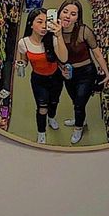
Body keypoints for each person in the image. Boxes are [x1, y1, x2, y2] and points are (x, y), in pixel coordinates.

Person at [57, 0, 109, 144]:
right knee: (75, 100)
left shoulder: (84, 31)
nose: (68, 16)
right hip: (68, 74)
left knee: (80, 103)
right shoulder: (55, 32)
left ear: (77, 17)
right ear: (59, 13)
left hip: (86, 73)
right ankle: (80, 117)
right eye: (65, 12)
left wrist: (106, 72)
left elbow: (97, 53)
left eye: (73, 14)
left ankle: (78, 127)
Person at [16, 8, 68, 144]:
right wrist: (20, 64)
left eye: (47, 22)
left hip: (56, 77)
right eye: (40, 22)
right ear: (31, 24)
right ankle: (41, 132)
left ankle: (52, 117)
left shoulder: (53, 39)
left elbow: (63, 58)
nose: (44, 26)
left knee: (54, 101)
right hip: (39, 80)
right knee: (42, 108)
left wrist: (59, 35)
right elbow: (24, 60)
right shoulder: (24, 43)